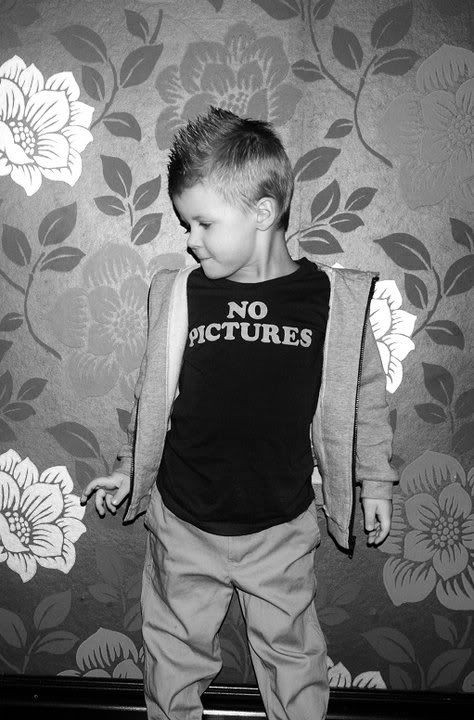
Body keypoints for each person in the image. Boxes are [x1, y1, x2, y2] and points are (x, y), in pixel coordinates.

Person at [81, 106, 398, 720]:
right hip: (184, 521)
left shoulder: (330, 299)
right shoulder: (185, 292)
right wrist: (128, 469)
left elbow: (365, 395)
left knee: (294, 658)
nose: (190, 240)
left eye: (203, 222)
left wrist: (376, 480)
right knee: (171, 656)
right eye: (186, 225)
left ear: (262, 211)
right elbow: (154, 396)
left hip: (280, 526)